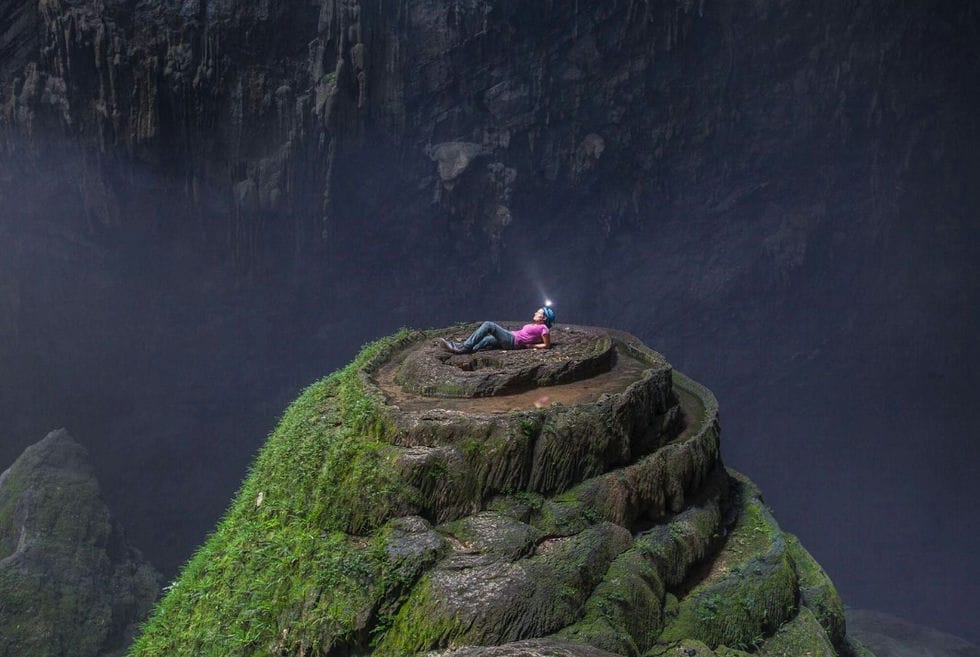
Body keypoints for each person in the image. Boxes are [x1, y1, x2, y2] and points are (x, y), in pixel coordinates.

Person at [440, 307, 556, 353]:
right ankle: (464, 348)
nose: (535, 313)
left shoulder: (544, 328)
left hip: (512, 341)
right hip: (511, 337)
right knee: (487, 340)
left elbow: (547, 345)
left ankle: (462, 347)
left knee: (489, 325)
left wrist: (531, 346)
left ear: (544, 318)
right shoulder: (537, 326)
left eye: (539, 312)